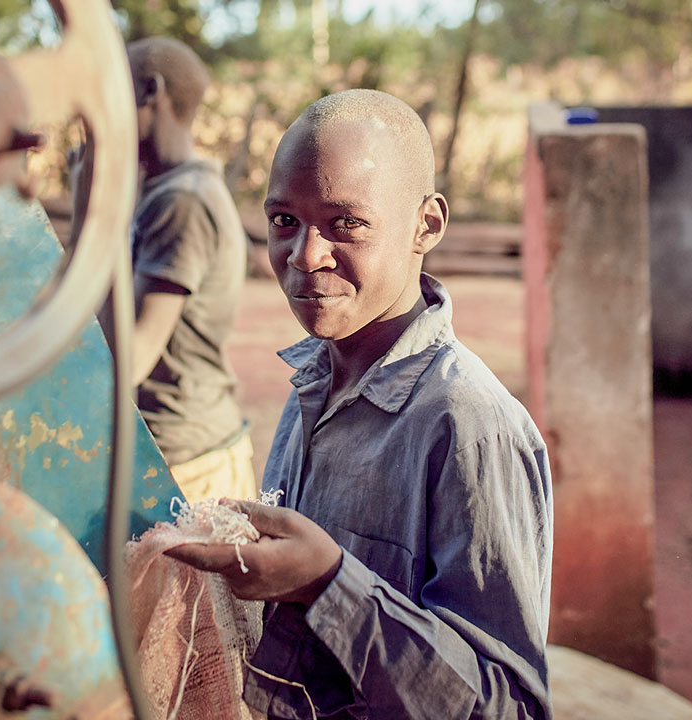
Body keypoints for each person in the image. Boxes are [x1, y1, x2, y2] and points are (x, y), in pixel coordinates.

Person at [166, 89, 553, 719]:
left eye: (346, 223)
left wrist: (327, 583)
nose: (305, 255)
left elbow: (510, 708)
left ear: (425, 225)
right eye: (284, 221)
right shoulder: (313, 383)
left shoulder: (467, 425)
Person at [124, 37, 254, 502]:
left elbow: (130, 359)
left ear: (148, 91)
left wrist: (86, 224)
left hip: (185, 467)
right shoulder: (165, 192)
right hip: (182, 454)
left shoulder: (183, 202)